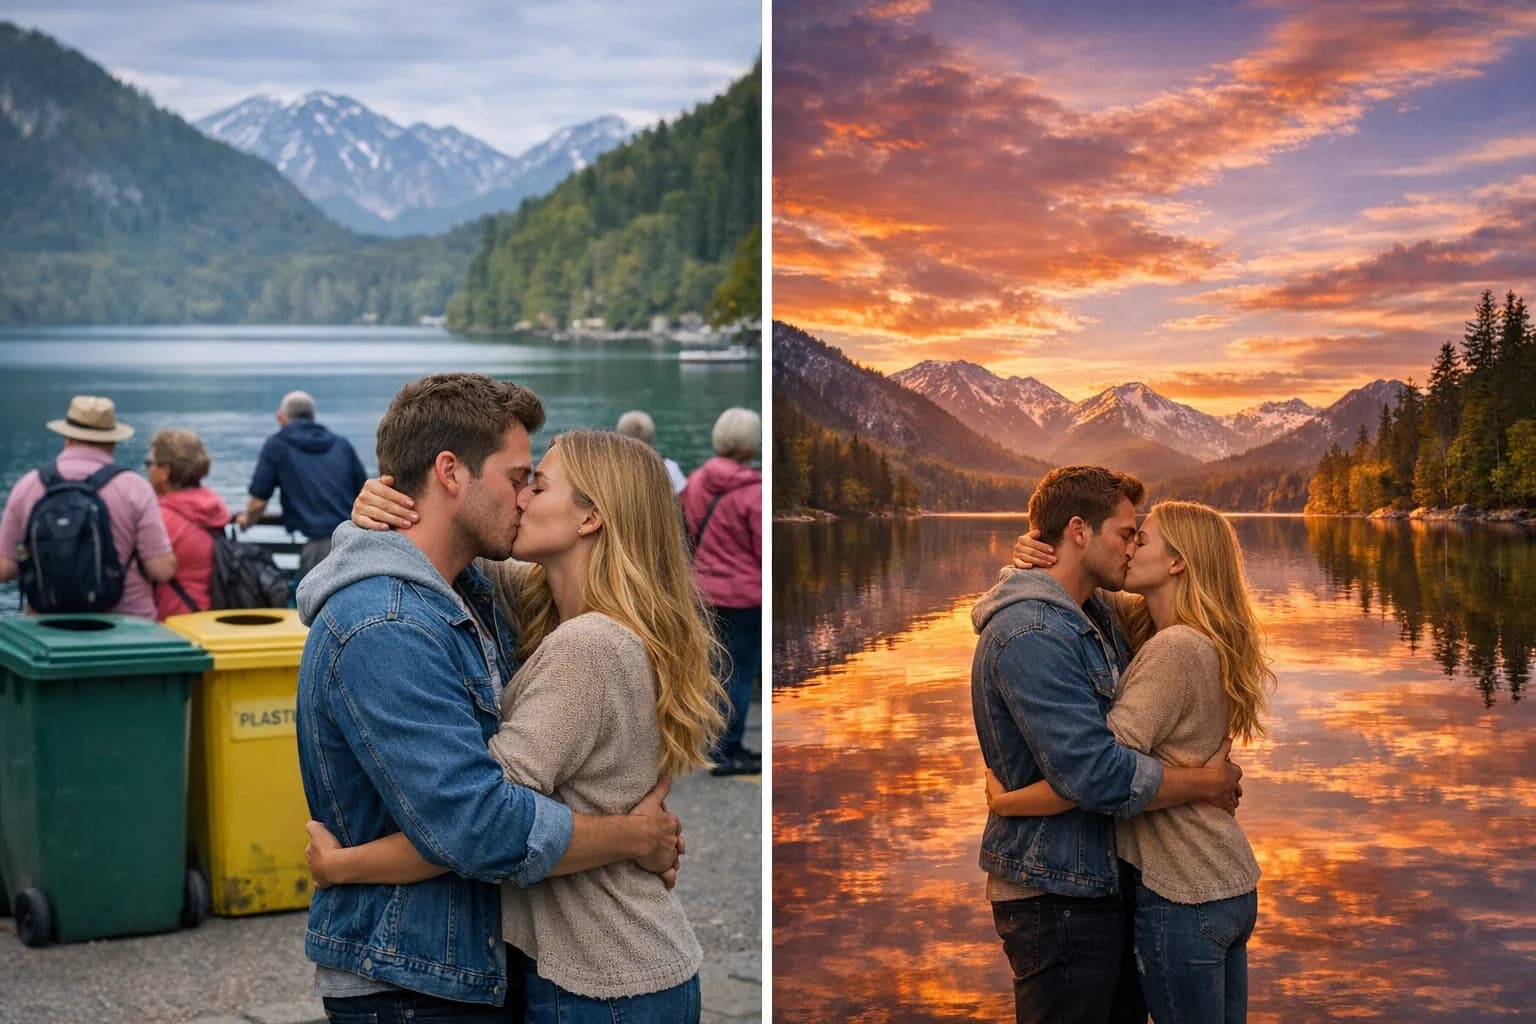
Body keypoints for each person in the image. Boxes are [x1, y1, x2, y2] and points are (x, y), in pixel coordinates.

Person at [292, 374, 683, 1022]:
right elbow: (479, 825)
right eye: (518, 476)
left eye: (537, 481)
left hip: (477, 968)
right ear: (450, 472)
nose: (525, 496)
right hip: (413, 981)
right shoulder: (388, 625)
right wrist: (631, 837)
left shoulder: (477, 592)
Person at [970, 465, 1243, 1024]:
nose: (1130, 547)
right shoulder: (1034, 633)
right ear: (1078, 531)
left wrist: (1026, 556)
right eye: (1126, 533)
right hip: (1054, 893)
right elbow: (1096, 774)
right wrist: (1204, 783)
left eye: (1140, 537)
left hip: (1104, 883)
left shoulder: (1101, 615)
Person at [0, 395, 176, 616]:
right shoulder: (135, 488)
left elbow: (5, 569)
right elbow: (160, 570)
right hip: (126, 628)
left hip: (46, 629)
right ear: (112, 441)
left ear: (67, 437)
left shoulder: (28, 486)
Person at [681, 407, 763, 777]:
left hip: (702, 594)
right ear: (751, 443)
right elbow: (763, 549)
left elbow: (682, 532)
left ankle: (710, 742)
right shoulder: (753, 491)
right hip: (745, 597)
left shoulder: (696, 481)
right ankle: (729, 751)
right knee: (740, 673)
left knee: (713, 669)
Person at [235, 390, 366, 579]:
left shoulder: (277, 446)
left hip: (315, 546)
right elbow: (363, 491)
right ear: (313, 416)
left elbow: (258, 502)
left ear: (281, 418)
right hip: (353, 539)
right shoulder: (341, 444)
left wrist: (245, 521)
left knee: (312, 602)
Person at [145, 429, 232, 619]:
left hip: (173, 620)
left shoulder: (162, 517)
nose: (147, 469)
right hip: (212, 613)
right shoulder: (213, 507)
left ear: (164, 472)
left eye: (149, 463)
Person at [616, 410, 687, 493]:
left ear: (618, 437)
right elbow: (683, 500)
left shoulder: (611, 470)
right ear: (651, 439)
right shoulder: (670, 468)